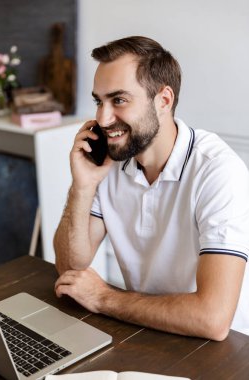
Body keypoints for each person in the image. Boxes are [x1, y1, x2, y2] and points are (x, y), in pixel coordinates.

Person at [54, 36, 249, 341]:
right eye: (98, 101)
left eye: (118, 100)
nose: (103, 119)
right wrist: (82, 186)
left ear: (164, 100)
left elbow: (212, 319)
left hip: (221, 352)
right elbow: (70, 267)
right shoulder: (112, 160)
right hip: (145, 329)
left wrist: (104, 298)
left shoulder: (218, 172)